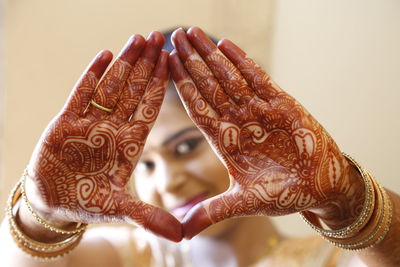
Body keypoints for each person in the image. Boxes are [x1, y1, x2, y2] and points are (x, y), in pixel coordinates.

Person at [0, 26, 399, 267]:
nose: (168, 182)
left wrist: (347, 198)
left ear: (253, 134)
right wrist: (40, 219)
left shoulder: (334, 260)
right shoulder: (123, 257)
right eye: (145, 164)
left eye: (186, 146)